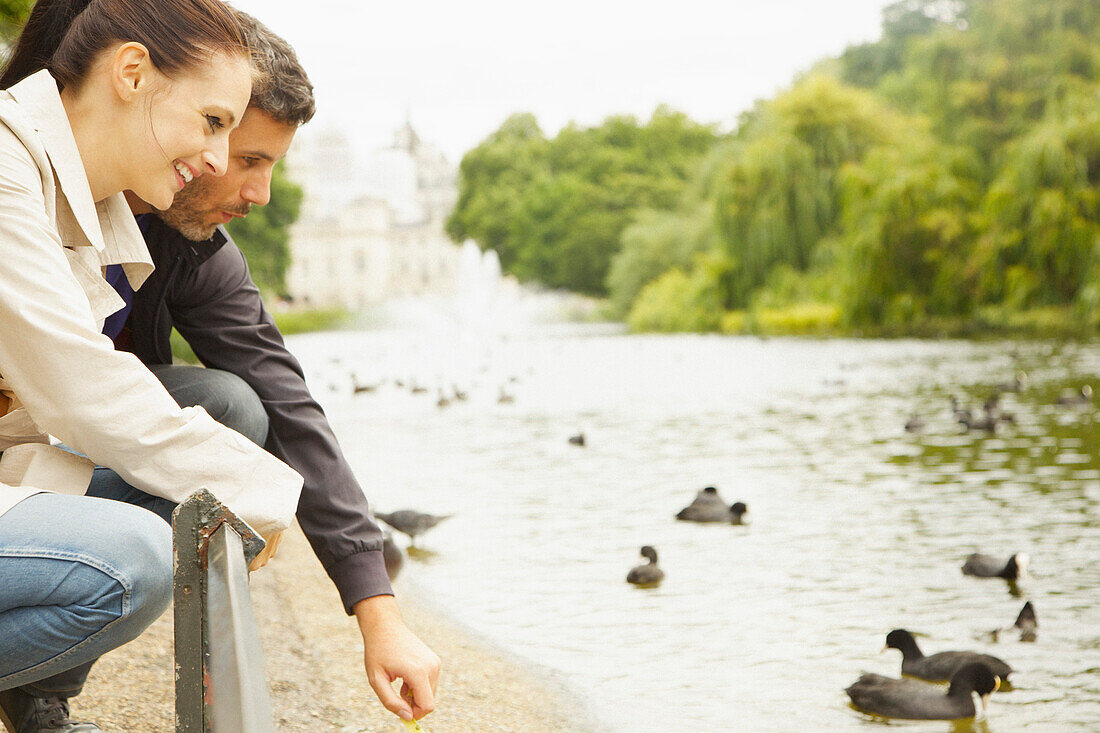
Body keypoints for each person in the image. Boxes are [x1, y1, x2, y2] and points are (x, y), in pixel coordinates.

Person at [120, 10, 441, 725]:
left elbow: (289, 403)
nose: (260, 196)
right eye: (251, 159)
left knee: (236, 407)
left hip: (75, 426)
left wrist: (375, 605)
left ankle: (43, 682)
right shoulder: (35, 185)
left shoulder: (199, 249)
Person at [0, 1, 303, 731]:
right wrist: (257, 486)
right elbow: (83, 393)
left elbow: (57, 404)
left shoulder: (71, 193)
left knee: (210, 430)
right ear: (132, 73)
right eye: (214, 122)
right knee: (131, 559)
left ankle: (33, 692)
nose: (221, 163)